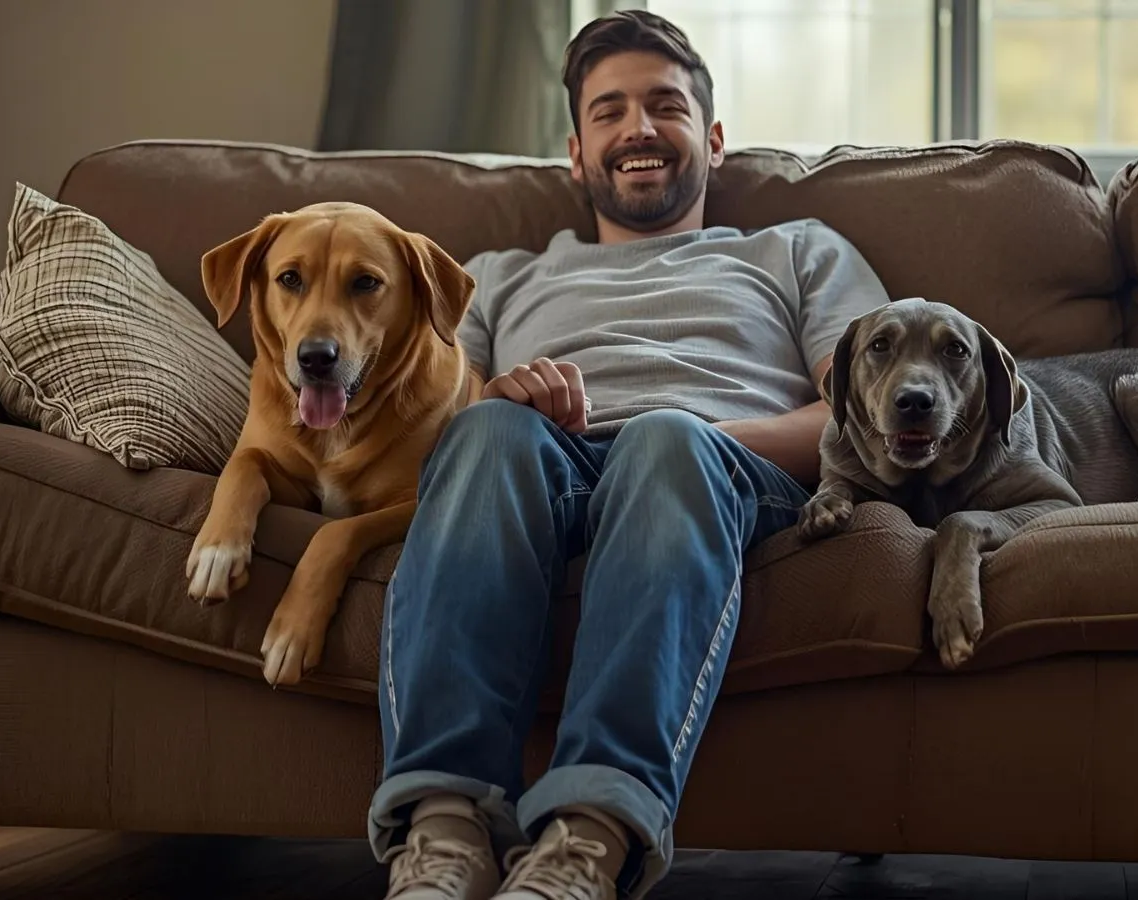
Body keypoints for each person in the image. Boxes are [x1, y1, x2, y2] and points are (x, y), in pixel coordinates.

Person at [370, 10, 889, 900]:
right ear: (576, 152)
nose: (637, 128)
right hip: (540, 464)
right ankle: (443, 831)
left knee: (664, 438)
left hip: (718, 469)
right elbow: (428, 428)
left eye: (664, 106)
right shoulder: (494, 276)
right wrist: (498, 400)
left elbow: (864, 413)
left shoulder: (795, 251)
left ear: (713, 139)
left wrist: (701, 434)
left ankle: (587, 842)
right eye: (608, 112)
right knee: (487, 432)